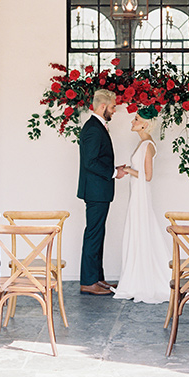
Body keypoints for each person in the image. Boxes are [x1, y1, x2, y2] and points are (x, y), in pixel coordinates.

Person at [113, 106, 171, 304]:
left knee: (141, 230)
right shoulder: (143, 144)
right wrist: (128, 169)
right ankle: (135, 278)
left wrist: (128, 170)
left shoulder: (147, 145)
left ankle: (143, 280)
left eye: (135, 119)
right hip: (136, 194)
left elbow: (147, 176)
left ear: (145, 124)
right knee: (137, 231)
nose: (132, 122)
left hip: (141, 195)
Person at [78, 88, 127, 295]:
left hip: (100, 191)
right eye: (114, 106)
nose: (115, 110)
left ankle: (98, 278)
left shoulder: (97, 126)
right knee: (94, 234)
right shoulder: (92, 128)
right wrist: (114, 173)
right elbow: (90, 162)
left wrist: (115, 170)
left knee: (98, 234)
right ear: (103, 106)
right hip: (96, 191)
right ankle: (89, 282)